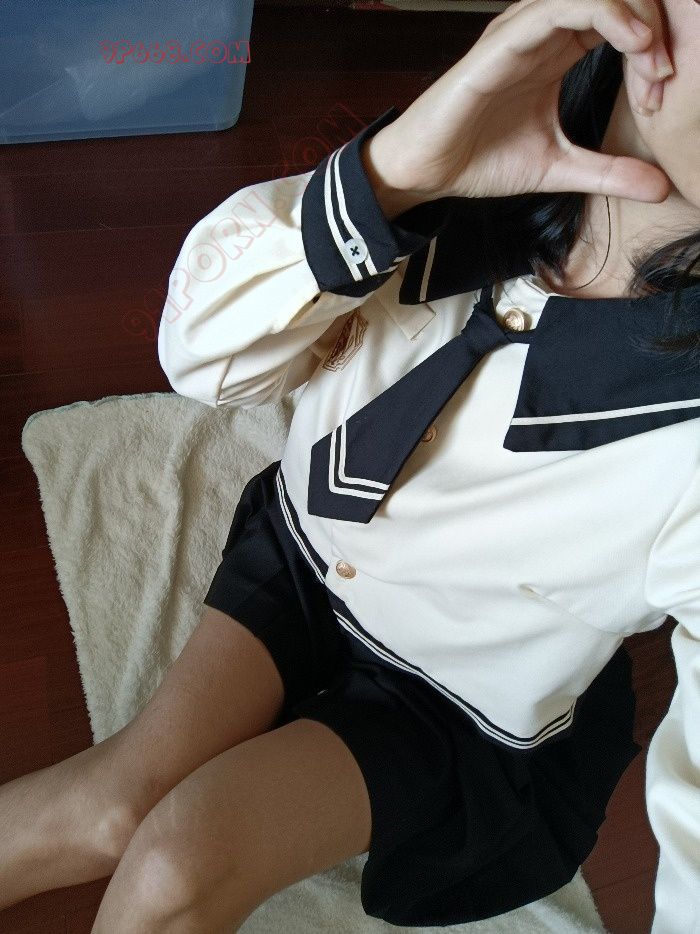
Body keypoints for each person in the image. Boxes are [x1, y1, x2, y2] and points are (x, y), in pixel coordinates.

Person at [1, 1, 697, 932]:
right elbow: (202, 361)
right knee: (110, 806)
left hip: (453, 702)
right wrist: (391, 177)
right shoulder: (459, 161)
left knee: (176, 859)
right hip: (304, 549)